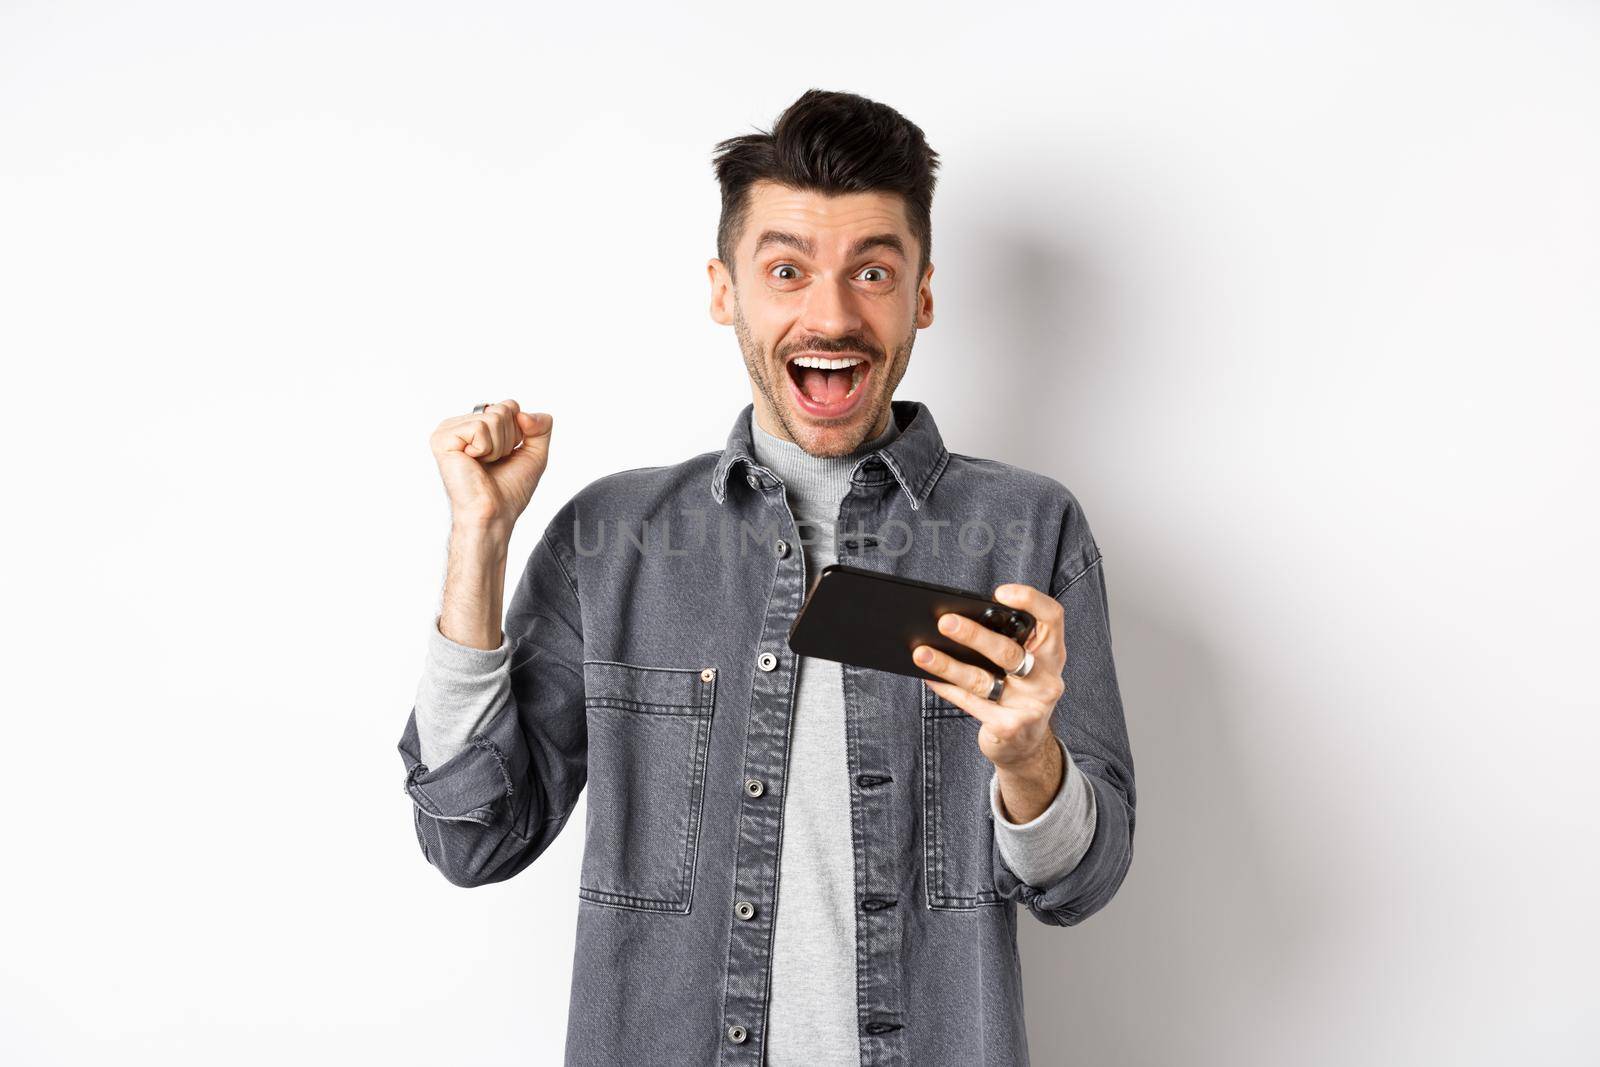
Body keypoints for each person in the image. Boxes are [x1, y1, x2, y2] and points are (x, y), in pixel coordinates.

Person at [396, 88, 1136, 1066]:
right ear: (722, 289)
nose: (830, 314)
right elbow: (473, 841)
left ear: (921, 292)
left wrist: (1027, 759)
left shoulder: (1026, 532)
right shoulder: (614, 539)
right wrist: (478, 539)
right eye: (786, 269)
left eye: (872, 271)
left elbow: (1081, 880)